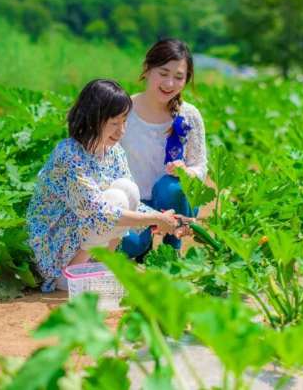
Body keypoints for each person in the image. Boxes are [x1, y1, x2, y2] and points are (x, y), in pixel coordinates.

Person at [26, 79, 189, 292]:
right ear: (93, 119)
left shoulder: (113, 152)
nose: (121, 131)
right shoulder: (69, 154)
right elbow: (99, 213)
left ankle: (103, 267)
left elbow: (134, 204)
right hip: (58, 252)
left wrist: (172, 220)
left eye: (124, 121)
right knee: (116, 199)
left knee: (127, 189)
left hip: (87, 236)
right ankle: (70, 275)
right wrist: (157, 219)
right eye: (114, 123)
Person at [119, 38, 207, 259]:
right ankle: (144, 243)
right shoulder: (123, 111)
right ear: (148, 69)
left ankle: (172, 247)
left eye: (179, 77)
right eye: (163, 73)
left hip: (175, 201)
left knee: (171, 187)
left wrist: (187, 173)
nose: (169, 84)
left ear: (187, 80)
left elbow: (199, 164)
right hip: (135, 203)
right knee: (130, 246)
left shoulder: (189, 115)